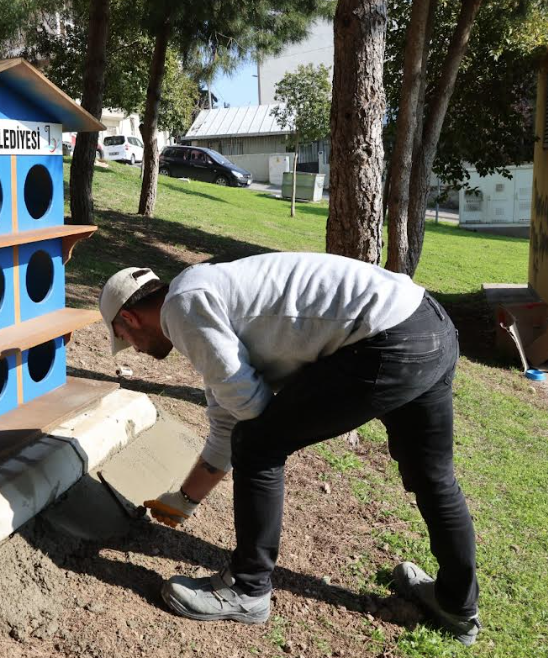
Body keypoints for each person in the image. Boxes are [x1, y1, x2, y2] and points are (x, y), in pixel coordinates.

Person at [98, 252, 481, 646]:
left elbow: (249, 418)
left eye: (124, 340)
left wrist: (258, 440)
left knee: (260, 443)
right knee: (433, 475)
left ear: (129, 319)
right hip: (426, 320)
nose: (135, 350)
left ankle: (247, 589)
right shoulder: (204, 295)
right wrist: (184, 500)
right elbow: (228, 415)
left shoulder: (183, 308)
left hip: (387, 339)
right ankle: (457, 604)